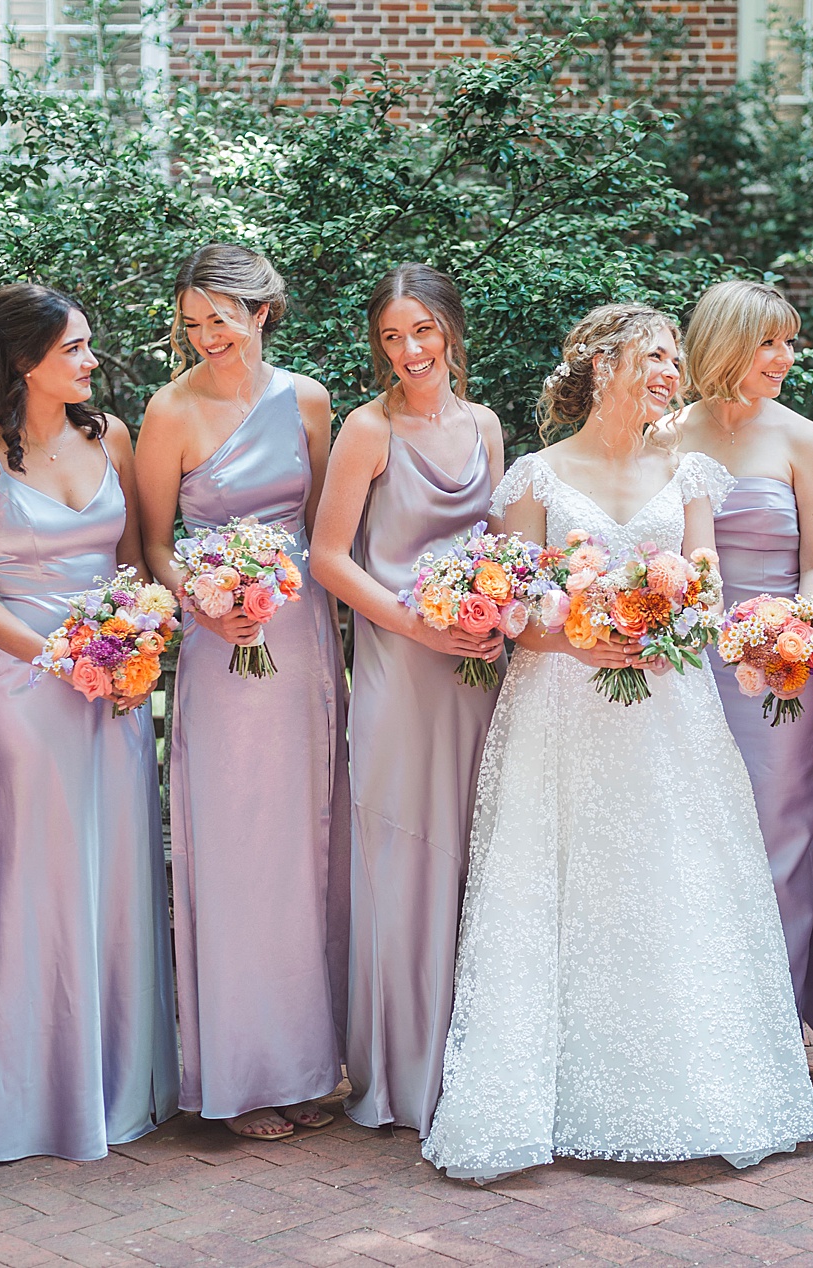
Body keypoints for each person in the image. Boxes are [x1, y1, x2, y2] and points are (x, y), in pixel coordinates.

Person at [421, 303, 813, 1181]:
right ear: (604, 365)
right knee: (560, 885)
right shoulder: (535, 477)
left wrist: (657, 625)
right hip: (558, 707)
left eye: (677, 358)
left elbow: (708, 593)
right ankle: (550, 1097)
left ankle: (690, 1090)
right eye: (657, 356)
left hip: (667, 709)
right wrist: (575, 638)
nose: (673, 373)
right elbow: (515, 606)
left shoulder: (690, 474)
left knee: (665, 883)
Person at [0, 283, 177, 1162]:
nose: (89, 361)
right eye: (73, 348)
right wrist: (58, 655)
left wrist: (128, 648)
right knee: (43, 885)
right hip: (29, 689)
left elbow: (130, 562)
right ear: (26, 361)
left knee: (117, 877)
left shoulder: (108, 436)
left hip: (114, 687)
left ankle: (121, 1086)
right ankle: (39, 1102)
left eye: (87, 346)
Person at [136, 243, 349, 1142]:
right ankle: (240, 1077)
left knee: (305, 851)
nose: (206, 337)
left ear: (263, 311)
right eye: (192, 323)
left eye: (220, 318)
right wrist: (205, 602)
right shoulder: (168, 410)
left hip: (300, 646)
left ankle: (303, 1067)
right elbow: (151, 544)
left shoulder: (307, 401)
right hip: (222, 651)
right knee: (234, 852)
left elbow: (331, 527)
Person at [309, 263, 505, 1136]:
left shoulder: (488, 426)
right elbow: (329, 557)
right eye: (392, 336)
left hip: (477, 667)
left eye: (422, 330)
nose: (409, 350)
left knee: (474, 853)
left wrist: (495, 613)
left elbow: (497, 543)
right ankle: (398, 1074)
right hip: (399, 662)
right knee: (404, 855)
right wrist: (419, 628)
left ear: (452, 330)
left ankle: (470, 1063)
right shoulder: (365, 429)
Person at [673, 280, 813, 1032]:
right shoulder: (670, 433)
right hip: (687, 664)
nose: (785, 357)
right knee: (691, 830)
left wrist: (792, 625)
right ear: (728, 345)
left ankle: (769, 1022)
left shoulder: (801, 437)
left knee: (781, 830)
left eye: (789, 342)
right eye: (769, 342)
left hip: (780, 669)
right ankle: (698, 1017)